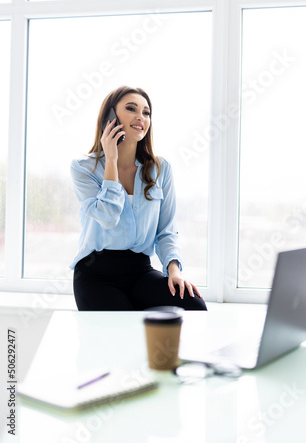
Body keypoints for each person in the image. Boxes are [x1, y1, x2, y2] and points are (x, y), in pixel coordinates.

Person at [69, 85, 207, 311]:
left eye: (146, 112)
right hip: (95, 274)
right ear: (110, 117)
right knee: (125, 331)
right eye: (131, 109)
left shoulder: (160, 169)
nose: (140, 117)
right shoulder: (84, 168)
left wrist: (174, 271)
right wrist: (111, 160)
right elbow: (108, 216)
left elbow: (166, 231)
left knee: (193, 305)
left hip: (139, 270)